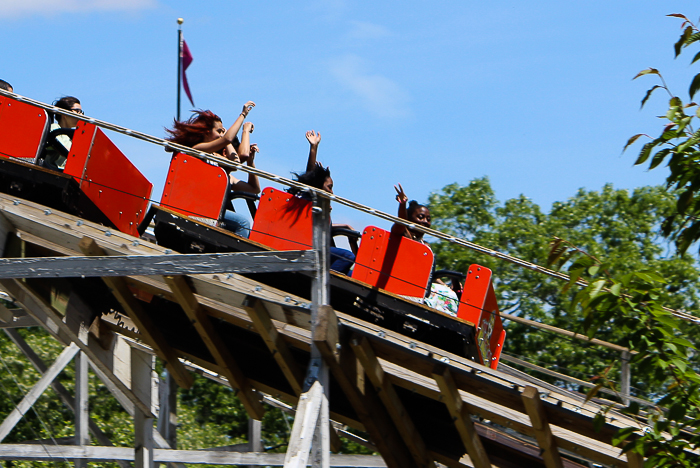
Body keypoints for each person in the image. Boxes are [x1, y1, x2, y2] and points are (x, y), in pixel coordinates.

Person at [165, 102, 260, 237]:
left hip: (210, 211)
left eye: (223, 132)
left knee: (239, 222)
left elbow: (242, 173)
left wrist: (250, 162)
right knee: (243, 223)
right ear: (207, 132)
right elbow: (228, 139)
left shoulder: (216, 161)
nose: (222, 134)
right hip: (196, 209)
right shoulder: (197, 150)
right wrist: (243, 115)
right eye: (219, 131)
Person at [291, 130, 357, 274]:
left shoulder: (321, 208)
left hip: (316, 249)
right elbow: (309, 176)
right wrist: (313, 148)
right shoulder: (308, 200)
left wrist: (344, 226)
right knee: (347, 257)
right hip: (305, 248)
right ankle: (323, 283)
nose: (332, 192)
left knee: (353, 274)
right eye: (329, 187)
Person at [392, 184, 460, 316]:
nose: (425, 222)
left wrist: (444, 285)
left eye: (428, 219)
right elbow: (400, 222)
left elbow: (429, 275)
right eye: (421, 217)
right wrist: (402, 204)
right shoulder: (403, 235)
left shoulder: (426, 246)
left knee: (451, 293)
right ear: (410, 219)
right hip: (404, 283)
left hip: (422, 286)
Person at [42, 96, 83, 170]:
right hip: (54, 171)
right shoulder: (54, 129)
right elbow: (64, 149)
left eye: (82, 112)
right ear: (64, 113)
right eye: (77, 111)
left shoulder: (74, 136)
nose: (81, 115)